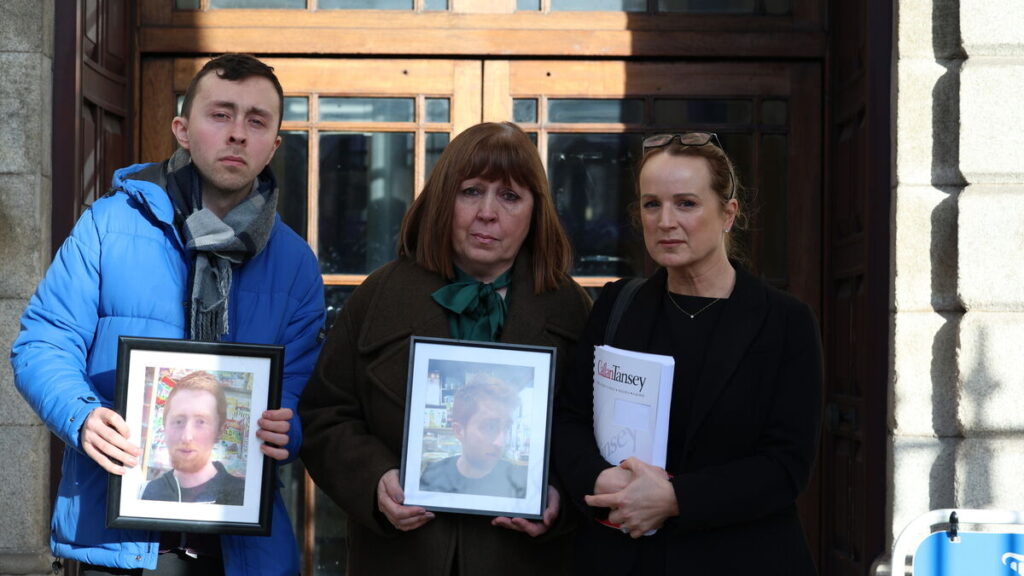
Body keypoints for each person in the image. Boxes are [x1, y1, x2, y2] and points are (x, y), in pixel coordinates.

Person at [11, 54, 325, 575]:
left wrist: (285, 429)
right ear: (182, 129)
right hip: (117, 543)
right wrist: (82, 415)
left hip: (243, 550)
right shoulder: (108, 225)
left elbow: (303, 393)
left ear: (274, 144)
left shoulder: (295, 265)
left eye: (256, 121)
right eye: (220, 114)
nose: (238, 134)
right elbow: (42, 343)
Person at [299, 121, 591, 576]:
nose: (487, 213)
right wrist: (375, 481)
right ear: (443, 201)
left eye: (510, 197)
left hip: (525, 561)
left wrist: (559, 498)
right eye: (471, 192)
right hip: (400, 558)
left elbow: (595, 438)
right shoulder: (378, 296)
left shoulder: (573, 309)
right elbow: (323, 415)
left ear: (535, 211)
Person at [553, 132, 823, 575]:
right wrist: (604, 482)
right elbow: (570, 419)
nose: (665, 221)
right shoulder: (617, 306)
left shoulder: (784, 321)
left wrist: (675, 499)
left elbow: (786, 465)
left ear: (728, 214)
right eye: (651, 204)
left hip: (741, 557)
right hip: (627, 554)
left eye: (686, 203)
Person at [142, 371, 245, 505]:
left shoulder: (241, 495)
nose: (186, 437)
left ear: (220, 430)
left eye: (201, 422)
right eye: (178, 421)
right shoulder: (149, 493)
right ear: (164, 426)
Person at [419, 375, 528, 498]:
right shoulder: (433, 477)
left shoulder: (519, 481)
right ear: (459, 431)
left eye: (506, 428)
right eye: (490, 427)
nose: (501, 442)